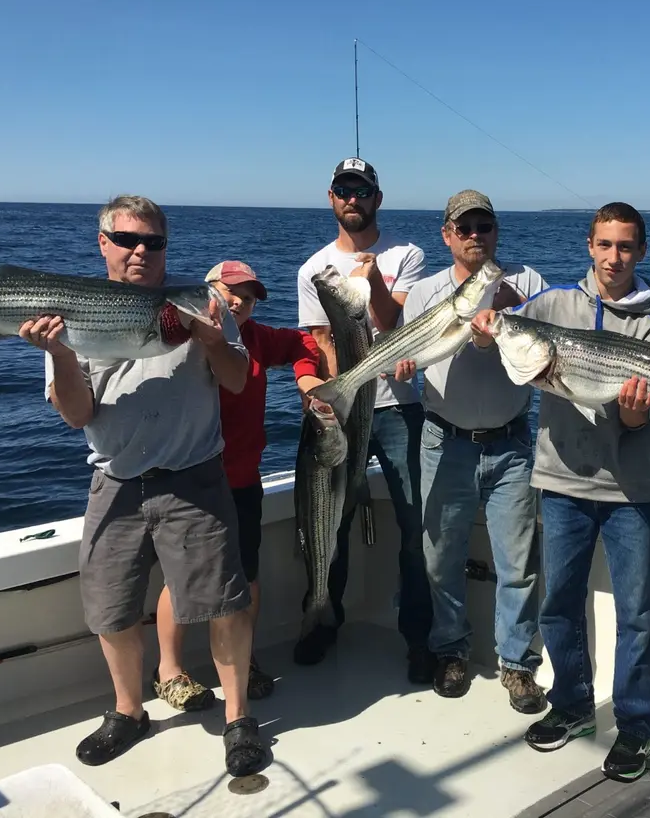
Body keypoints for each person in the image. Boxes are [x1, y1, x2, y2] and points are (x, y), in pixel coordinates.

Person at [21, 195, 266, 777]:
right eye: (127, 240)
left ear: (166, 245)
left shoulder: (200, 300)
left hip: (195, 476)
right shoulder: (70, 309)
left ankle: (238, 719)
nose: (140, 251)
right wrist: (58, 353)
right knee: (111, 609)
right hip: (116, 479)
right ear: (102, 241)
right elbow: (78, 415)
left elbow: (235, 381)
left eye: (153, 242)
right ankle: (128, 713)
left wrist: (210, 337)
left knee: (226, 604)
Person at [472, 202, 650, 783]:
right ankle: (573, 707)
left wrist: (635, 417)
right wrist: (490, 329)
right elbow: (499, 328)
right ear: (589, 246)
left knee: (637, 614)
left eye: (626, 247)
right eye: (605, 245)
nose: (614, 257)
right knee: (558, 603)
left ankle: (637, 724)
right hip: (560, 482)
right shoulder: (552, 307)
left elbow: (642, 423)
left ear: (641, 252)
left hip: (631, 489)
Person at [396, 190, 547, 712]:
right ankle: (450, 650)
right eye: (464, 228)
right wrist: (402, 365)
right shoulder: (424, 293)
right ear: (447, 235)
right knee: (440, 558)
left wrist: (505, 318)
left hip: (512, 442)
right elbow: (408, 350)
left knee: (519, 561)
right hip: (444, 439)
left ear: (497, 231)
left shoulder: (527, 283)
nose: (475, 235)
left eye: (484, 226)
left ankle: (517, 665)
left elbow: (544, 344)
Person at [151, 260, 325, 704]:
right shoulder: (179, 341)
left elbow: (303, 341)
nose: (238, 303)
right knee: (182, 577)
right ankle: (169, 670)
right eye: (229, 292)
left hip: (244, 480)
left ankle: (242, 662)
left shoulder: (257, 338)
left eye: (247, 297)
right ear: (205, 291)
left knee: (246, 577)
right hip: (190, 481)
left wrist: (306, 375)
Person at [297, 157, 435, 682]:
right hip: (340, 411)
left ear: (378, 197)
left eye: (361, 191)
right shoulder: (313, 269)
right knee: (331, 519)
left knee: (414, 525)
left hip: (400, 406)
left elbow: (388, 321)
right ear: (330, 197)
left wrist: (373, 281)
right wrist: (327, 397)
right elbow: (320, 343)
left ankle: (419, 637)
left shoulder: (407, 255)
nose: (352, 199)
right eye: (342, 190)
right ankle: (323, 618)